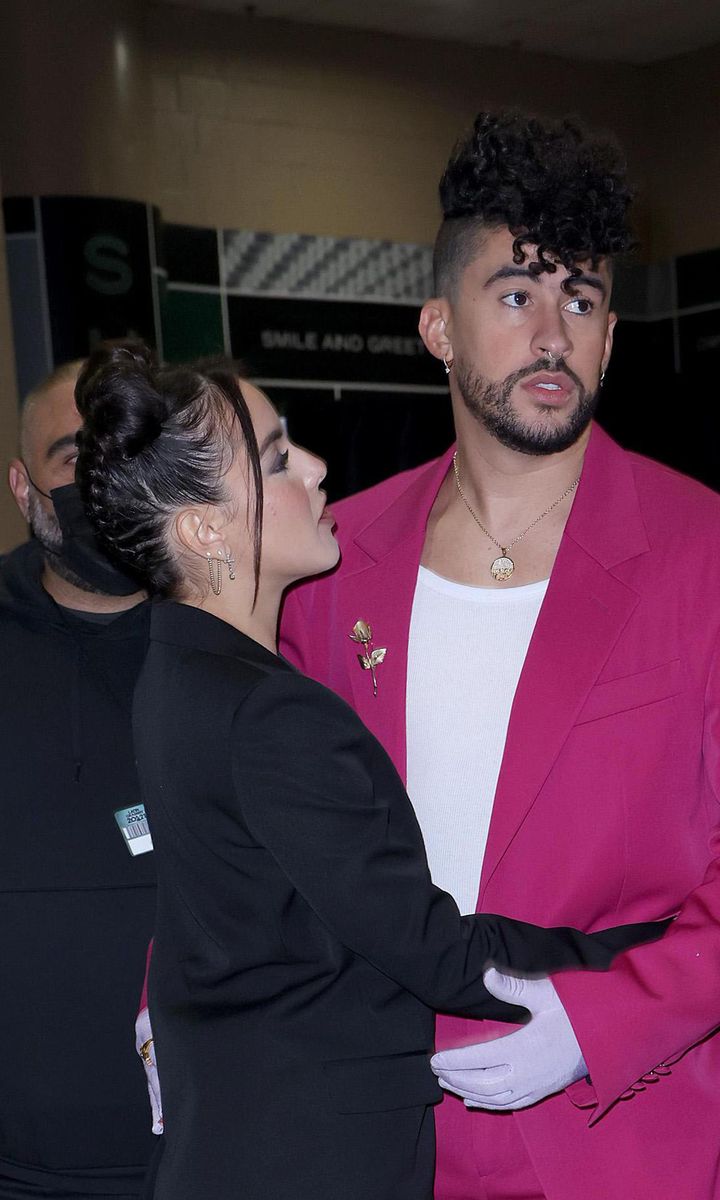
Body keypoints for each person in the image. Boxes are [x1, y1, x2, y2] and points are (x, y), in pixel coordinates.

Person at [73, 344, 662, 1200]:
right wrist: (638, 951)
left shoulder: (172, 673)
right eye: (276, 460)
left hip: (236, 1137)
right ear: (204, 528)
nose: (315, 468)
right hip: (310, 1157)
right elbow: (434, 953)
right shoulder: (268, 714)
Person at [279, 111, 720, 1198]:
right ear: (438, 327)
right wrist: (175, 990)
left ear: (613, 337)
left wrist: (600, 1022)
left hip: (614, 1124)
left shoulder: (699, 552)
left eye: (581, 301)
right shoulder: (334, 566)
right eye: (516, 295)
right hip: (376, 1122)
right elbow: (258, 826)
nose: (554, 335)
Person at [1, 363, 156, 1199]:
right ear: (24, 487)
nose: (101, 484)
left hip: (206, 1150)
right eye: (72, 457)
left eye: (120, 453)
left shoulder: (241, 634)